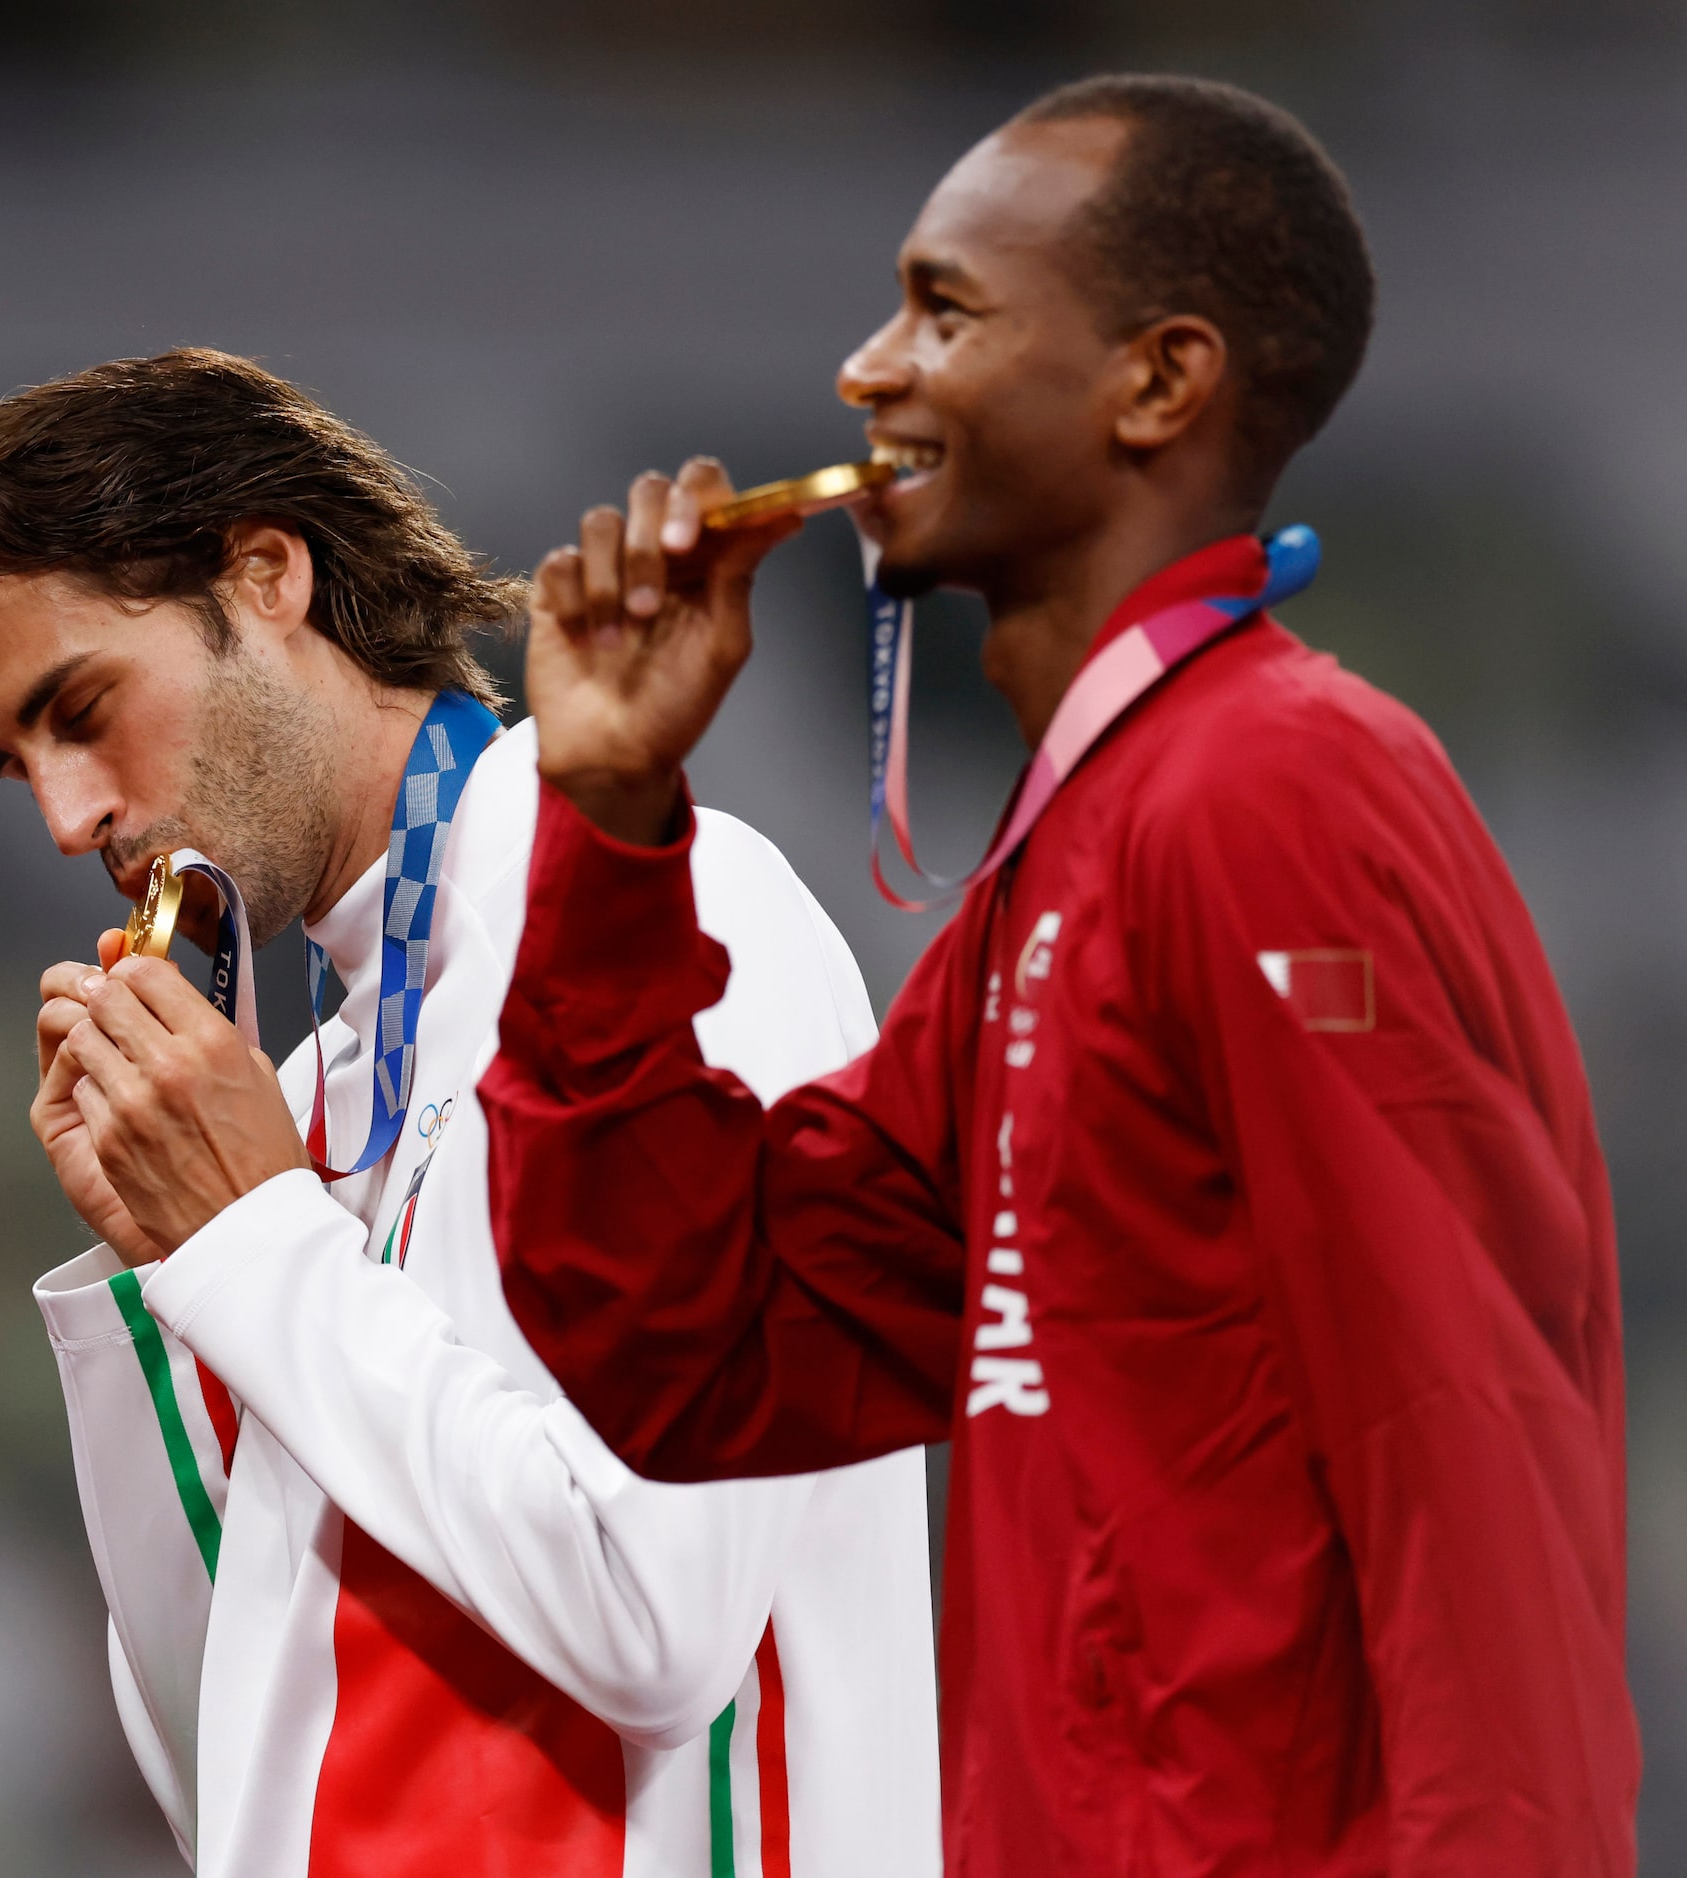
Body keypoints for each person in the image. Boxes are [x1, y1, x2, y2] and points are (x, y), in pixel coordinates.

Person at [477, 75, 1638, 1875]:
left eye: (943, 310)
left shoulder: (1270, 794)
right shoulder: (1079, 858)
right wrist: (612, 823)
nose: (866, 370)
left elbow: (1462, 1448)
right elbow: (697, 1344)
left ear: (1157, 382)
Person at [0, 350, 941, 1877]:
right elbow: (221, 1764)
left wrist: (250, 1237)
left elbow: (655, 1615)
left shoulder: (676, 926)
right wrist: (163, 1271)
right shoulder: (305, 1099)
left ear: (265, 575)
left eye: (81, 707)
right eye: (15, 765)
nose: (66, 816)